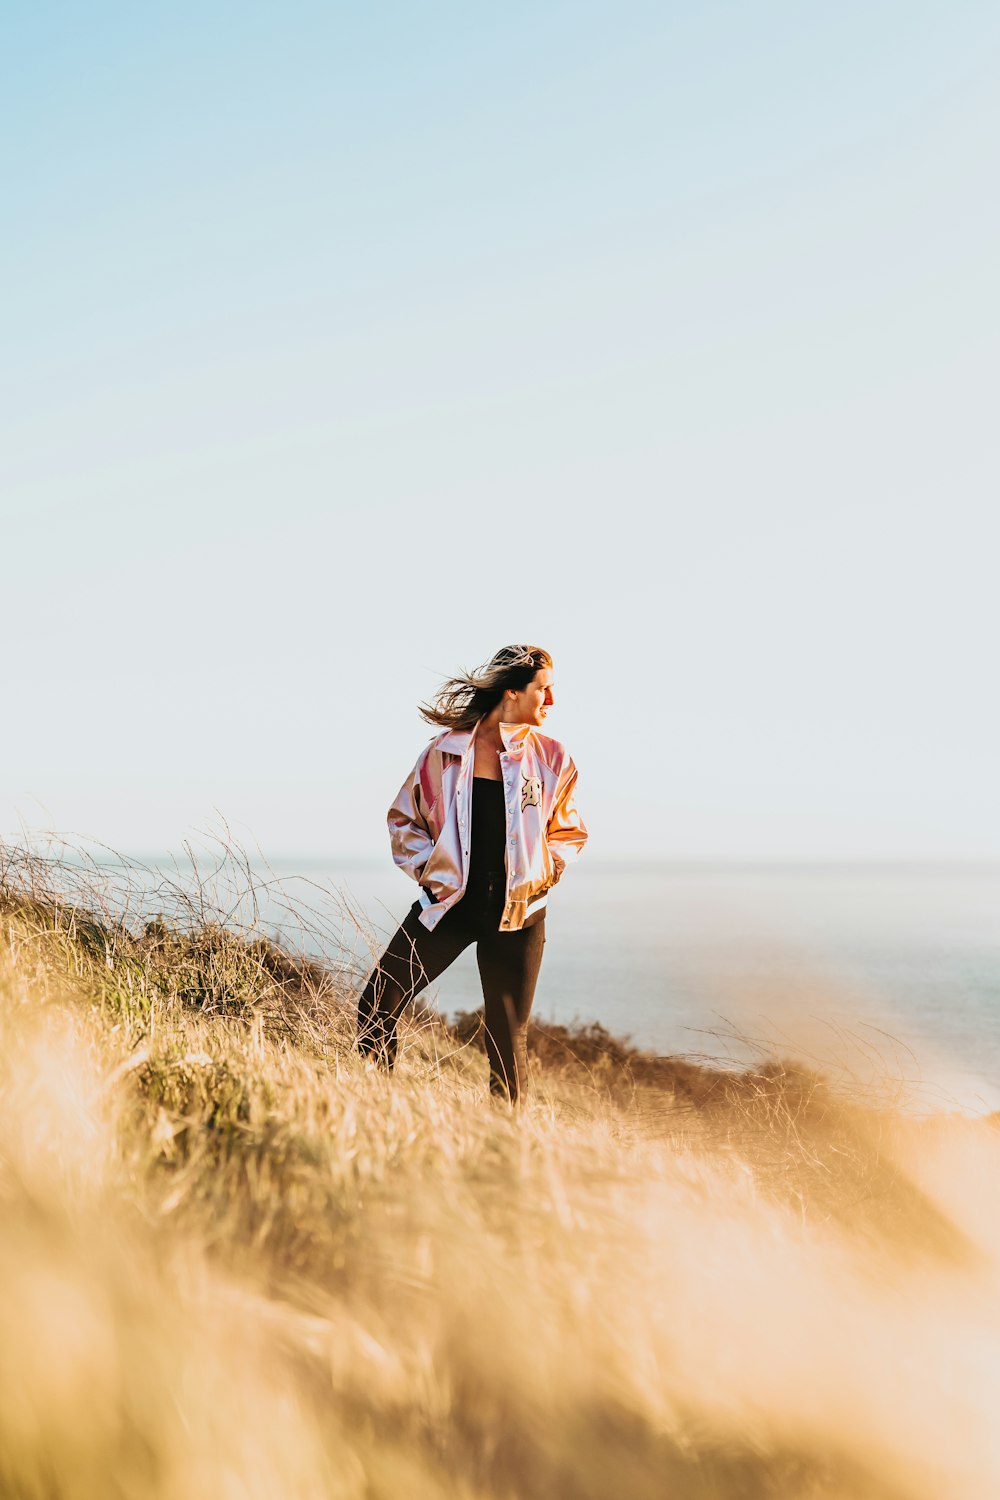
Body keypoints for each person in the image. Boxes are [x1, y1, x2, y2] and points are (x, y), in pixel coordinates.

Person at [356, 644, 588, 1104]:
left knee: (506, 1040)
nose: (553, 701)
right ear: (512, 692)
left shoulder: (552, 758)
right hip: (448, 909)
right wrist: (432, 873)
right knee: (376, 1006)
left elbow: (569, 830)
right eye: (544, 690)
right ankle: (376, 1105)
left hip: (519, 918)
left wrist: (549, 869)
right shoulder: (444, 754)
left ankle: (505, 1147)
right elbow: (404, 819)